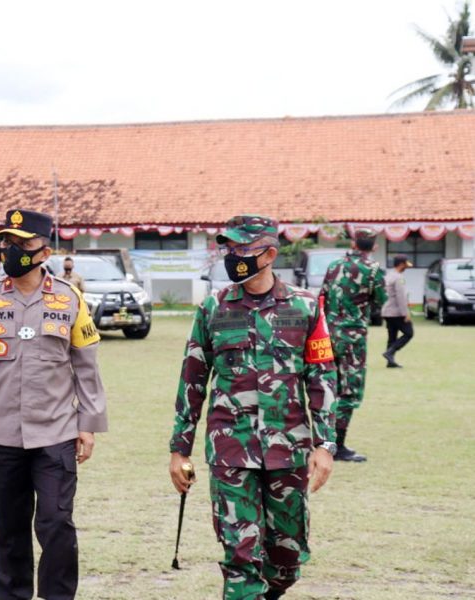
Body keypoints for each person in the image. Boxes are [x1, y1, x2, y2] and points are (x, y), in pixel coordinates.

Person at [0, 209, 107, 600]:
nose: (8, 249)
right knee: (9, 529)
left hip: (56, 433)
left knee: (56, 523)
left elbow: (86, 365)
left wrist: (88, 423)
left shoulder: (69, 298)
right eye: (6, 242)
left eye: (19, 243)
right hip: (2, 435)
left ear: (43, 251)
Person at [169, 215, 336, 600]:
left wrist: (325, 445)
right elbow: (192, 382)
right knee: (242, 557)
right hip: (231, 452)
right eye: (229, 249)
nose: (233, 256)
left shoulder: (306, 308)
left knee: (287, 557)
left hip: (288, 450)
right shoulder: (213, 309)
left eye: (243, 249)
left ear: (269, 254)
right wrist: (180, 449)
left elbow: (322, 379)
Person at [319, 228, 387, 462]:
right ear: (374, 247)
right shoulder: (374, 270)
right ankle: (336, 444)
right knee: (349, 390)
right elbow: (381, 300)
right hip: (353, 337)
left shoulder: (333, 266)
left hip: (328, 333)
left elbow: (322, 296)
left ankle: (321, 440)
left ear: (353, 242)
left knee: (326, 386)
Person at [382, 254, 414, 368]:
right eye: (406, 265)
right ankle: (389, 353)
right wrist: (405, 313)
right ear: (401, 264)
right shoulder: (398, 278)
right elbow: (401, 297)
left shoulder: (389, 275)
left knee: (392, 336)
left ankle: (390, 361)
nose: (406, 267)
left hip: (387, 311)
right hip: (396, 311)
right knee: (409, 333)